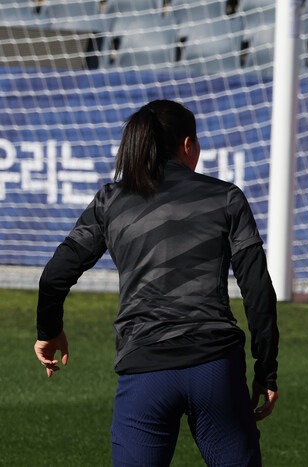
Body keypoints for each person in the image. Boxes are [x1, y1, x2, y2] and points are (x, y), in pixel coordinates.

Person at [33, 99, 279, 466]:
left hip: (145, 370)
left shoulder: (110, 200)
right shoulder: (227, 197)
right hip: (216, 368)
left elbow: (54, 276)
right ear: (187, 145)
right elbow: (258, 290)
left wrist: (49, 330)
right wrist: (266, 370)